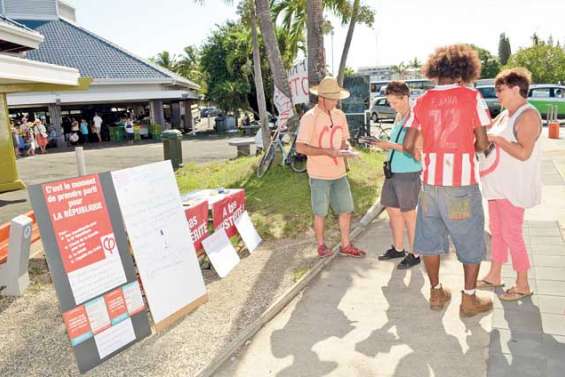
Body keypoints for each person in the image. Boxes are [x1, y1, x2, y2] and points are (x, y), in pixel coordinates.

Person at [403, 44, 492, 316]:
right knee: (469, 238)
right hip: (461, 186)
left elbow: (408, 144)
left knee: (430, 239)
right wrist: (467, 148)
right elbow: (483, 142)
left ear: (435, 70)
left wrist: (429, 151)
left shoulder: (422, 100)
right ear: (463, 70)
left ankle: (436, 292)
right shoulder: (471, 97)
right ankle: (469, 298)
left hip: (430, 185)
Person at [477, 68, 542, 301]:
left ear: (516, 89)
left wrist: (499, 140)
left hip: (514, 188)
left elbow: (524, 153)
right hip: (497, 187)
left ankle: (523, 284)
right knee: (497, 232)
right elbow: (486, 133)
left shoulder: (528, 115)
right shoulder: (505, 114)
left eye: (501, 89)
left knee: (512, 234)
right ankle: (494, 275)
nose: (497, 94)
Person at [296, 76, 366, 258]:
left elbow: (343, 140)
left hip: (340, 173)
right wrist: (327, 152)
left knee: (346, 209)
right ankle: (321, 245)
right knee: (320, 212)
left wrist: (348, 149)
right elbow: (300, 147)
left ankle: (345, 244)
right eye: (332, 98)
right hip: (319, 174)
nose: (336, 101)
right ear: (321, 98)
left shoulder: (340, 115)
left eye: (337, 98)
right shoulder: (309, 118)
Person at [370, 81, 422, 269]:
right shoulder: (400, 116)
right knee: (393, 211)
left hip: (408, 173)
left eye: (395, 102)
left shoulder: (415, 118)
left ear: (406, 97)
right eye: (390, 102)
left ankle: (416, 253)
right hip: (393, 172)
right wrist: (385, 145)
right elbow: (398, 143)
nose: (393, 107)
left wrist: (389, 146)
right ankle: (399, 248)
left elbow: (416, 150)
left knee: (409, 214)